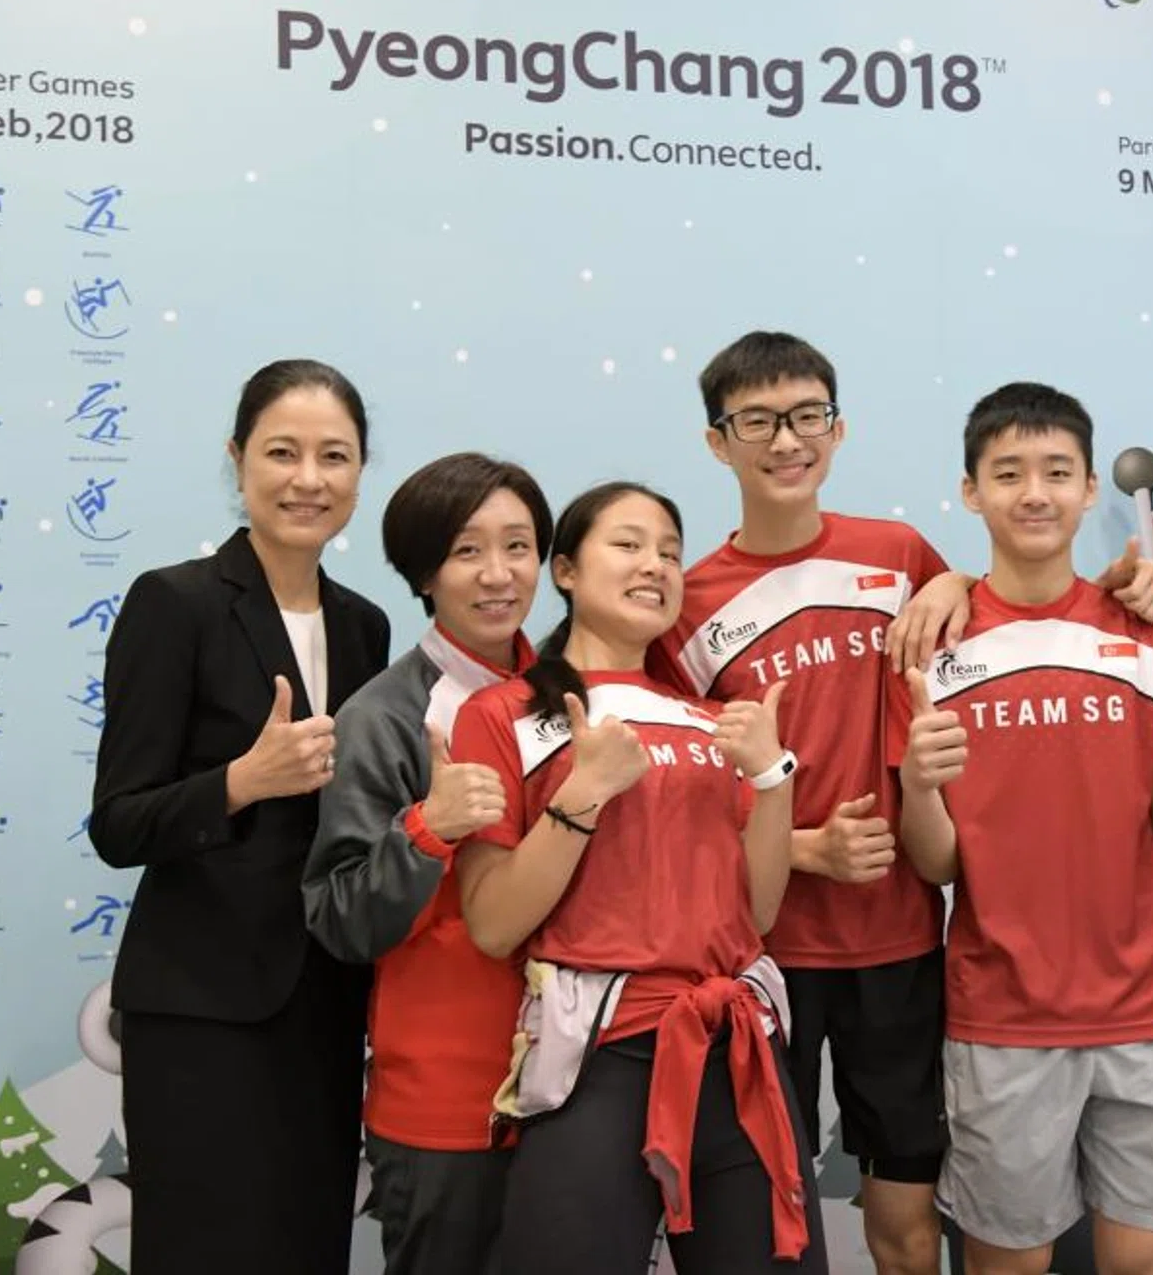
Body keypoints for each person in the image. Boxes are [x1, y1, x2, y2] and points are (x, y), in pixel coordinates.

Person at [652, 332, 1153, 1275]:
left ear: (838, 429)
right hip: (758, 954)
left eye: (807, 416)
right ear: (717, 442)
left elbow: (1005, 595)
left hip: (899, 949)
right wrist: (800, 848)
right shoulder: (685, 608)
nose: (786, 441)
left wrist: (957, 578)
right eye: (757, 421)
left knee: (906, 1225)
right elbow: (673, 790)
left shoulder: (898, 556)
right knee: (770, 1221)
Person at [451, 481, 829, 1273]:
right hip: (599, 1051)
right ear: (565, 571)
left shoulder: (706, 715)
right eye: (627, 545)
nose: (654, 564)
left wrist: (771, 776)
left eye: (668, 551)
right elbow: (491, 924)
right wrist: (585, 792)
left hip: (734, 1048)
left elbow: (755, 915)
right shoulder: (504, 713)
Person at [889, 383, 1153, 1275]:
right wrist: (918, 783)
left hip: (1150, 1008)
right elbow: (935, 858)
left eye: (1057, 472)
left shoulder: (1147, 629)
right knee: (1008, 1264)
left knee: (1146, 1259)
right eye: (1009, 473)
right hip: (1002, 1016)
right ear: (970, 491)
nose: (1034, 492)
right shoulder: (930, 645)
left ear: (1083, 489)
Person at [89, 358, 391, 1273]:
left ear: (360, 472)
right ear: (238, 458)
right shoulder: (172, 603)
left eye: (334, 456)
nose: (309, 479)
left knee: (307, 1246)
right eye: (283, 453)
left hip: (325, 1003)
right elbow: (117, 824)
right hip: (201, 1008)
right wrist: (240, 782)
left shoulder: (365, 624)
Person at [301, 453, 552, 1273]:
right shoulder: (383, 715)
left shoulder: (573, 693)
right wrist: (427, 829)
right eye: (466, 550)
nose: (499, 574)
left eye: (519, 546)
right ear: (424, 572)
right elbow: (341, 919)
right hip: (447, 1104)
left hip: (576, 1088)